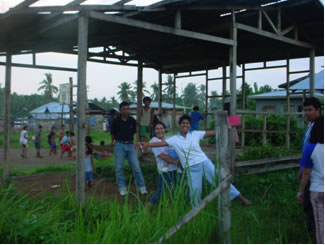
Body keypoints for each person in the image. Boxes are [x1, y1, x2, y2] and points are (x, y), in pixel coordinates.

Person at [140, 114, 252, 207]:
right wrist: (147, 144)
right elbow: (160, 143)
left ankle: (241, 198)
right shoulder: (174, 139)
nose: (185, 125)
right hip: (190, 168)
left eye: (187, 123)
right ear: (180, 125)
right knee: (194, 192)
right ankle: (196, 214)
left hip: (204, 163)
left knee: (220, 180)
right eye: (183, 123)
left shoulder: (195, 134)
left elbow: (213, 132)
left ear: (190, 126)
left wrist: (230, 124)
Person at [111, 101, 147, 196]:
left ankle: (142, 187)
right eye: (124, 109)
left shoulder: (132, 120)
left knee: (136, 168)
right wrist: (113, 145)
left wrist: (134, 143)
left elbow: (134, 133)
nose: (126, 111)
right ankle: (122, 188)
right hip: (119, 145)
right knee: (119, 168)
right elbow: (112, 135)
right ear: (120, 110)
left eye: (127, 109)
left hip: (130, 146)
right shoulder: (115, 121)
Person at [297, 116, 324, 244]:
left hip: (317, 190)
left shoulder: (310, 147)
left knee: (320, 224)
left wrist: (301, 191)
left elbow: (306, 172)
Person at [147, 122, 181, 210]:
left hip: (175, 169)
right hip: (164, 170)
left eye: (161, 128)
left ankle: (171, 209)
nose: (159, 130)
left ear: (165, 129)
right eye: (157, 129)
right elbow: (161, 156)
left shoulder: (169, 139)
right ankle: (147, 210)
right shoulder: (153, 141)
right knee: (161, 191)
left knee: (175, 190)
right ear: (154, 131)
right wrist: (176, 162)